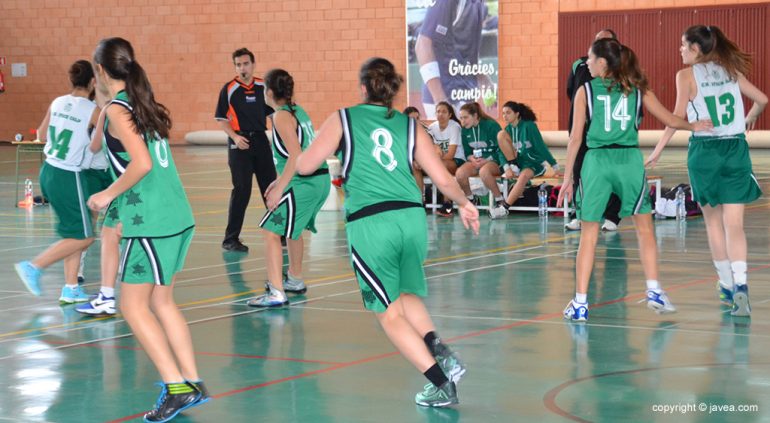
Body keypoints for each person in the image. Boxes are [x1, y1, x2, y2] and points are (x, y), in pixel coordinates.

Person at [296, 57, 479, 407]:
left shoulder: (343, 118)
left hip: (372, 223)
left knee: (389, 314)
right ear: (393, 92)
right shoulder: (411, 126)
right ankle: (441, 351)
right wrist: (464, 204)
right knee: (407, 294)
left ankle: (441, 383)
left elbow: (305, 165)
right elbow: (441, 177)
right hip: (411, 219)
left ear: (363, 88)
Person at [88, 37, 209, 421]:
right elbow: (102, 149)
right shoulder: (140, 106)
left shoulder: (119, 111)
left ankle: (176, 388)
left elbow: (141, 164)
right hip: (174, 216)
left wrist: (106, 195)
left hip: (153, 223)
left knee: (132, 306)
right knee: (161, 302)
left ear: (102, 71)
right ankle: (192, 381)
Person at [556, 38, 713, 322]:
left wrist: (568, 177)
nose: (586, 63)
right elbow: (669, 118)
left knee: (588, 235)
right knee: (644, 229)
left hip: (596, 163)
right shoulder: (637, 89)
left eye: (590, 59)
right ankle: (654, 290)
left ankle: (580, 303)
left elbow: (575, 138)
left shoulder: (586, 91)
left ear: (603, 63)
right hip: (629, 161)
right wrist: (694, 125)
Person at [646, 25, 767, 317]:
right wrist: (750, 116)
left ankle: (726, 285)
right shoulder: (730, 71)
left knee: (714, 224)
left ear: (696, 49)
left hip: (706, 151)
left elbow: (675, 119)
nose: (680, 50)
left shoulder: (685, 76)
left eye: (683, 45)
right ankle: (741, 284)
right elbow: (762, 100)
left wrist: (658, 150)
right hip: (735, 149)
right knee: (734, 225)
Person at [15, 60, 99, 303]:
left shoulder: (58, 102)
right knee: (85, 237)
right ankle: (34, 266)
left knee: (73, 233)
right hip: (68, 174)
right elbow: (100, 142)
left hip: (49, 169)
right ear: (93, 81)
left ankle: (71, 288)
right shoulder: (93, 110)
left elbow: (40, 135)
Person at [246, 69, 329, 308]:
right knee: (293, 230)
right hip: (317, 180)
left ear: (269, 92)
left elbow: (296, 155)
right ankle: (294, 278)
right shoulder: (298, 110)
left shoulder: (280, 116)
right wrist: (279, 179)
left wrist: (278, 189)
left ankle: (276, 292)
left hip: (305, 182)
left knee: (270, 231)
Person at [215, 48, 277, 252]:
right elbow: (222, 119)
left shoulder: (263, 86)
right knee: (241, 190)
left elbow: (274, 113)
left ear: (253, 64)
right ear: (235, 67)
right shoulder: (229, 89)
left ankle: (280, 232)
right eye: (238, 64)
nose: (242, 68)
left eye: (246, 63)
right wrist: (234, 137)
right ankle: (231, 239)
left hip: (260, 140)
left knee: (271, 188)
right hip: (239, 143)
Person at [565, 29, 623, 232]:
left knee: (613, 174)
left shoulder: (624, 74)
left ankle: (612, 215)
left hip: (609, 134)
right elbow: (570, 92)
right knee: (580, 171)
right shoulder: (579, 65)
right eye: (597, 41)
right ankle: (580, 214)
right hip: (582, 129)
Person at [77, 95, 120, 316]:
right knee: (91, 222)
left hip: (112, 175)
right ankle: (79, 267)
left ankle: (119, 265)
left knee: (117, 223)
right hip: (93, 174)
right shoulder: (95, 123)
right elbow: (93, 148)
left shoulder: (120, 119)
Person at [415, 0, 492, 119]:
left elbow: (464, 52)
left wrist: (484, 78)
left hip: (466, 97)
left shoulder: (480, 5)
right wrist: (441, 101)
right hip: (446, 99)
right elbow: (422, 45)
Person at [490, 101, 558, 219]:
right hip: (517, 162)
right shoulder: (507, 129)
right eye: (503, 113)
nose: (505, 116)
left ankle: (504, 208)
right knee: (500, 135)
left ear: (517, 114)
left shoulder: (529, 126)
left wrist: (554, 165)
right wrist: (507, 167)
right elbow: (500, 151)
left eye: (508, 113)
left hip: (533, 163)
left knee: (523, 176)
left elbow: (540, 146)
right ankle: (513, 166)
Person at [454, 102, 504, 214]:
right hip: (476, 161)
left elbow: (501, 149)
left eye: (465, 118)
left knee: (484, 172)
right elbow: (467, 151)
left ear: (475, 116)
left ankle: (500, 201)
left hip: (493, 161)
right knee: (460, 174)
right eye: (461, 118)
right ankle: (471, 200)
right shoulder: (465, 129)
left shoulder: (491, 126)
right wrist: (471, 158)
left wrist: (487, 160)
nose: (462, 122)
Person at [427, 101, 464, 216]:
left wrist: (437, 155)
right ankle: (419, 201)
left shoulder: (455, 127)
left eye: (444, 112)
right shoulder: (432, 128)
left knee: (442, 165)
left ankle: (447, 203)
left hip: (457, 161)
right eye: (438, 111)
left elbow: (451, 155)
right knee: (416, 166)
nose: (440, 114)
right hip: (438, 162)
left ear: (450, 115)